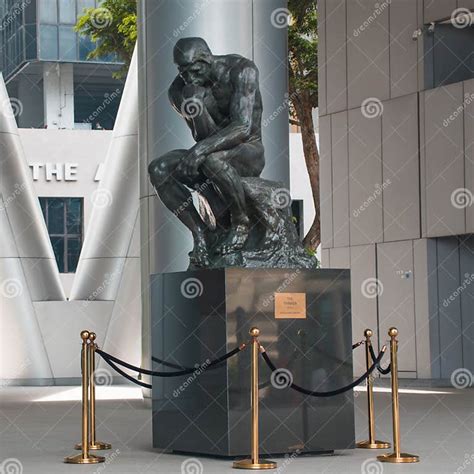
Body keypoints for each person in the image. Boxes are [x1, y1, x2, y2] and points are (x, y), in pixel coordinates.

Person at [148, 37, 265, 267]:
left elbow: (243, 127)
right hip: (211, 151)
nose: (188, 77)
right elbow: (202, 136)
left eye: (193, 70)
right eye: (183, 72)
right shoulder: (178, 90)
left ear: (206, 59)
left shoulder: (241, 70)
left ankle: (241, 222)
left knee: (211, 158)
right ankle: (201, 235)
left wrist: (200, 151)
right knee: (159, 169)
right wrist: (196, 107)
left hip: (248, 151)